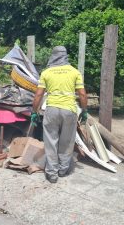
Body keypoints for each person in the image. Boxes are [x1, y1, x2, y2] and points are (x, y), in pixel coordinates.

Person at [31, 46, 88, 183]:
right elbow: (82, 94)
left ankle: (52, 173)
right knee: (67, 141)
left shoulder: (46, 72)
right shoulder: (75, 72)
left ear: (53, 56)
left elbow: (39, 94)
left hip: (51, 110)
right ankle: (63, 169)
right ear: (65, 56)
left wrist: (34, 112)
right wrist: (84, 111)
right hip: (69, 110)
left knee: (51, 141)